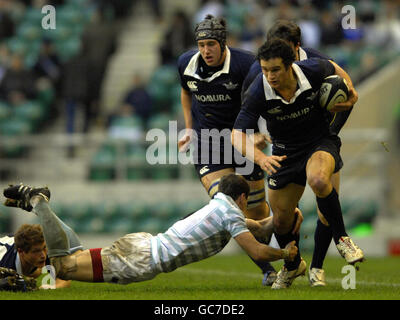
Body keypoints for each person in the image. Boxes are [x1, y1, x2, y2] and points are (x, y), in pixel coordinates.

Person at [231, 38, 364, 290]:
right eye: (265, 70)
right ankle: (293, 266)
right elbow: (236, 135)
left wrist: (352, 93)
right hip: (284, 152)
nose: (269, 76)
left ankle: (343, 239)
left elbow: (334, 68)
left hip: (319, 141)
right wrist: (261, 158)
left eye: (275, 70)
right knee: (281, 220)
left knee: (318, 180)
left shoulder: (313, 70)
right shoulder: (259, 90)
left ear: (290, 65)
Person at [2, 175, 301, 285]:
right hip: (143, 259)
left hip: (144, 244)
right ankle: (39, 202)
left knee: (74, 254)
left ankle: (39, 206)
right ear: (242, 199)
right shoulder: (231, 214)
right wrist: (285, 253)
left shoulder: (219, 205)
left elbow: (261, 228)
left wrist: (285, 216)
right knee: (62, 267)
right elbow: (259, 249)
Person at [176, 14, 277, 285]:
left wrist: (258, 133)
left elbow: (261, 98)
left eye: (211, 44)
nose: (206, 50)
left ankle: (281, 245)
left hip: (242, 141)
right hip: (207, 141)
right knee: (228, 207)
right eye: (201, 45)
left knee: (255, 214)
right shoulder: (186, 63)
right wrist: (188, 127)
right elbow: (186, 91)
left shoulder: (246, 64)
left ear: (223, 43)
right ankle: (269, 269)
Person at [0, 223, 70, 289]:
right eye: (36, 251)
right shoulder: (5, 263)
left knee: (35, 272)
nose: (43, 255)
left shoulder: (45, 252)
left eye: (44, 248)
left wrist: (52, 287)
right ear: (21, 251)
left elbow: (65, 277)